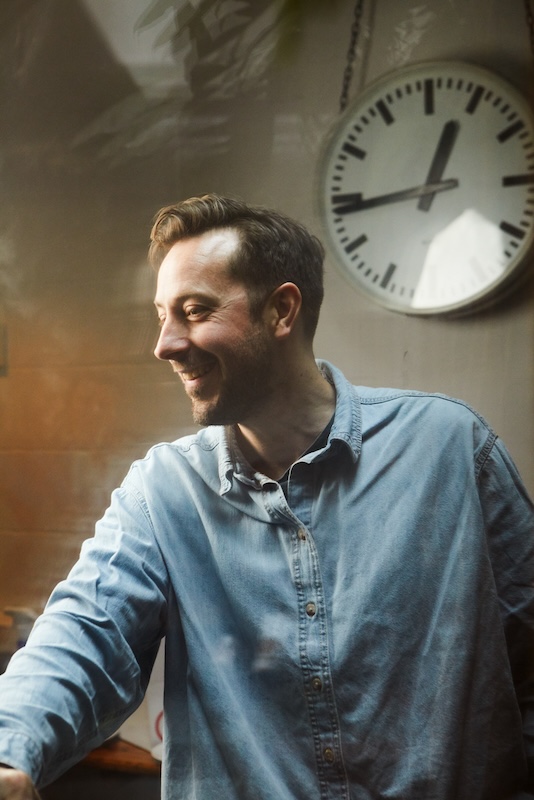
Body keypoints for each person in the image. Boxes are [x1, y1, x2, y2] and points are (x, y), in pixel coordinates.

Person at [0, 194, 532, 800]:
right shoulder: (165, 489)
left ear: (282, 310)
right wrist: (7, 750)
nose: (165, 344)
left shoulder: (451, 450)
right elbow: (86, 635)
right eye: (161, 316)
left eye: (195, 311)